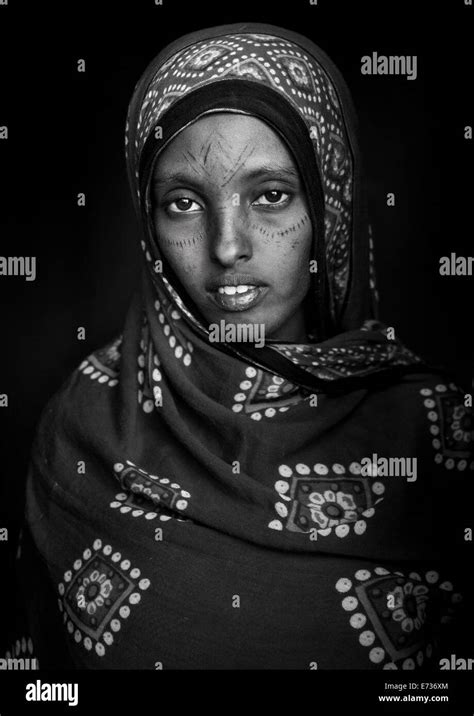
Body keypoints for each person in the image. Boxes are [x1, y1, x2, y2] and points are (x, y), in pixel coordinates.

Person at [10, 22, 472, 670]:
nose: (229, 246)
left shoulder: (437, 430)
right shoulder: (88, 419)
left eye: (272, 195)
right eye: (183, 204)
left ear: (328, 211)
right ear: (149, 226)